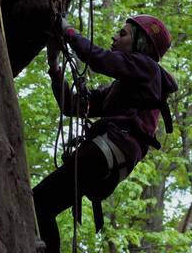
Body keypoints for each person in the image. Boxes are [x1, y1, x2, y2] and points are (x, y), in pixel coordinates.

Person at [33, 14, 178, 253]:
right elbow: (74, 106)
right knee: (42, 205)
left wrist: (68, 31)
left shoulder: (148, 69)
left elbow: (100, 60)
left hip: (109, 148)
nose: (115, 36)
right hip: (107, 155)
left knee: (38, 200)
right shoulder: (121, 89)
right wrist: (54, 66)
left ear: (141, 44)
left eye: (123, 33)